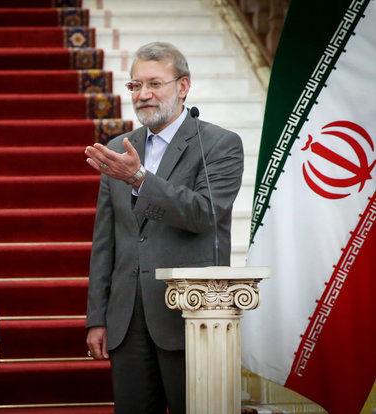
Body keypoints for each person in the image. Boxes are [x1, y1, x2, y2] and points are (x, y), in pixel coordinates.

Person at [84, 42, 244, 413]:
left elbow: (204, 213)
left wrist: (140, 178)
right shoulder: (118, 148)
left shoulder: (219, 144)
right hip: (127, 321)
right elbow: (105, 241)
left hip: (189, 315)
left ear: (183, 86)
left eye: (154, 84)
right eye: (135, 86)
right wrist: (98, 317)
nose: (143, 95)